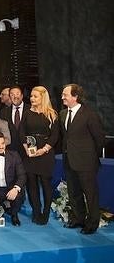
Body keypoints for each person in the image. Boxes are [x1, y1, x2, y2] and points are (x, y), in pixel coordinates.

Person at [59, 84, 105, 234]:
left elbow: (99, 139)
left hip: (87, 162)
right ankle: (78, 219)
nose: (62, 97)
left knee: (90, 194)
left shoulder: (89, 115)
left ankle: (92, 224)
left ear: (75, 96)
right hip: (69, 161)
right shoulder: (63, 114)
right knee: (74, 192)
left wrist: (91, 156)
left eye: (65, 95)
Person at [19, 86, 59, 225]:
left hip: (45, 153)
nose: (32, 98)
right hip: (29, 152)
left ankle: (46, 212)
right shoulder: (26, 113)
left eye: (35, 96)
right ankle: (36, 211)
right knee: (31, 184)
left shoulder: (51, 114)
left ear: (43, 97)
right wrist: (26, 148)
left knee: (45, 183)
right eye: (31, 96)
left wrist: (45, 149)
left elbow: (55, 135)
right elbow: (21, 132)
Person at [0, 86, 28, 159]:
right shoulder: (4, 112)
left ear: (22, 96)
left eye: (17, 94)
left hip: (27, 151)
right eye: (12, 94)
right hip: (10, 151)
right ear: (9, 97)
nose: (15, 96)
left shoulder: (30, 110)